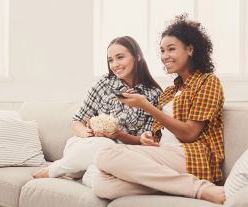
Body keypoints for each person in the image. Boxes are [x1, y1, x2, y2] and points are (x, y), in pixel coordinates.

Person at [92, 14, 226, 204]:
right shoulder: (169, 92)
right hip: (166, 153)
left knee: (106, 153)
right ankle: (177, 186)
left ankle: (199, 188)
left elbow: (189, 134)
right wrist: (150, 138)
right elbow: (161, 135)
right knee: (101, 183)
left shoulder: (208, 82)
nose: (165, 56)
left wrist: (146, 106)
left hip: (192, 155)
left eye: (171, 49)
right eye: (162, 51)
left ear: (190, 49)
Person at [33, 36, 162, 186]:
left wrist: (119, 135)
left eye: (120, 57)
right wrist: (85, 133)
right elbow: (77, 121)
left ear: (137, 56)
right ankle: (62, 169)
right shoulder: (103, 84)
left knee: (106, 151)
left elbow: (143, 141)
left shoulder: (154, 95)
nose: (115, 65)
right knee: (93, 144)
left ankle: (73, 172)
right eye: (110, 60)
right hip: (85, 146)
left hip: (117, 153)